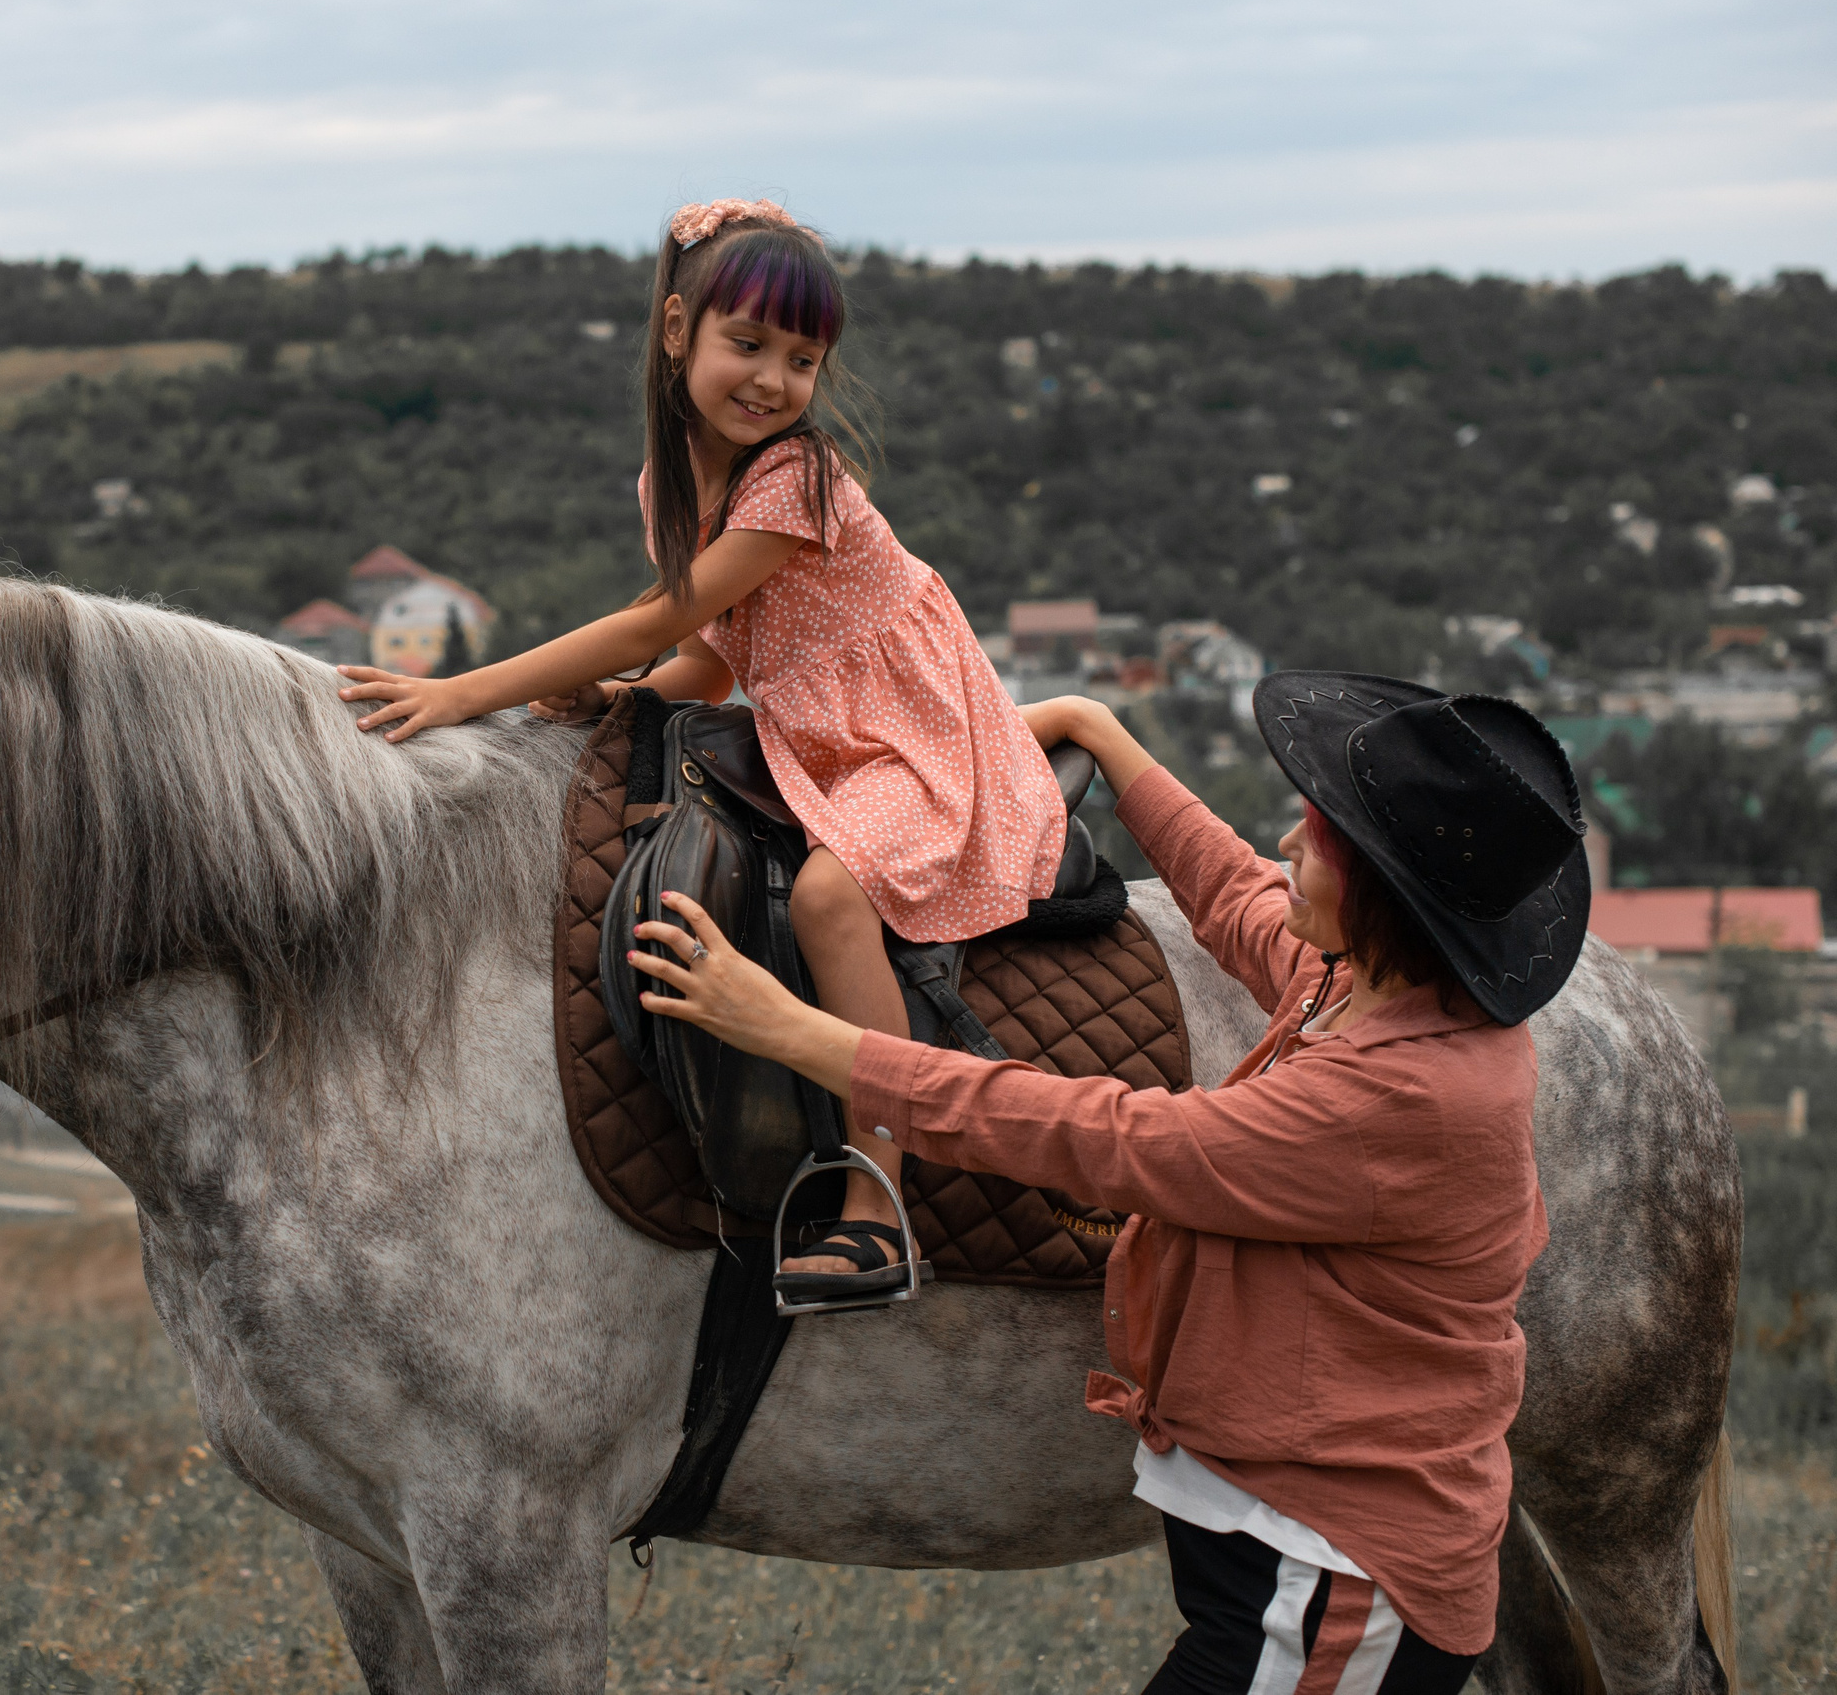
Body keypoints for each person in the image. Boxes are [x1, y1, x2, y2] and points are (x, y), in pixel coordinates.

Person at [620, 673, 1590, 1693]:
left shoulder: (1409, 1092)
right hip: (1282, 1561)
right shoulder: (1365, 987)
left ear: (1388, 895)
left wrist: (794, 1031)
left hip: (1334, 1577)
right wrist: (1103, 737)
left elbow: (1109, 1137)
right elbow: (1233, 895)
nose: (1290, 847)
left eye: (1323, 839)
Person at [337, 198, 1067, 1306]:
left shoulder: (796, 480)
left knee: (829, 901)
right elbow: (708, 664)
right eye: (748, 344)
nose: (773, 379)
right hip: (812, 729)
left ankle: (879, 1197)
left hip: (903, 733)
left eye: (802, 357)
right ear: (676, 328)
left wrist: (462, 692)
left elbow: (650, 623)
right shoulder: (670, 483)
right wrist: (615, 698)